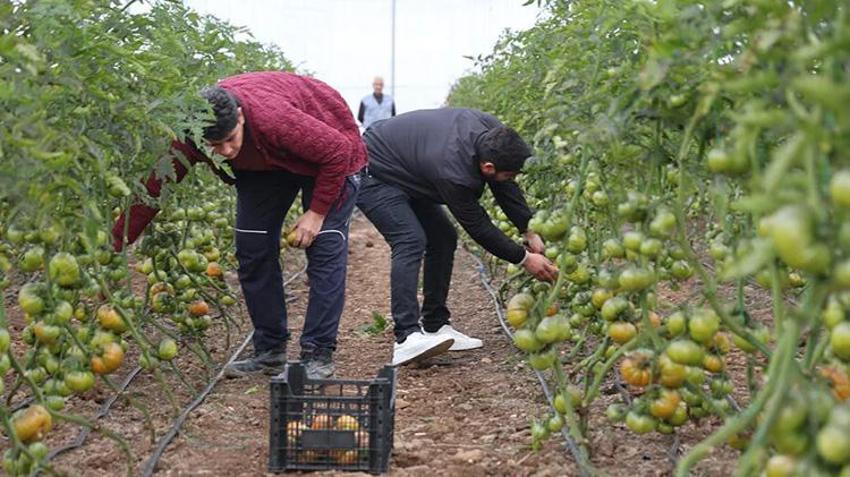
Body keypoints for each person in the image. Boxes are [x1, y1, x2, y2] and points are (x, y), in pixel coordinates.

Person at [113, 71, 367, 379]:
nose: (226, 152)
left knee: (324, 246)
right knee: (252, 246)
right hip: (266, 164)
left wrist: (316, 213)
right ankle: (270, 351)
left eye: (230, 139)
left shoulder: (275, 120)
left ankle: (318, 354)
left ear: (240, 116)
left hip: (329, 152)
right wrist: (115, 242)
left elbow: (336, 150)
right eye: (214, 146)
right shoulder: (192, 132)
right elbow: (157, 185)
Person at [355, 108, 558, 367]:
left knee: (443, 238)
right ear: (487, 167)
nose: (512, 178)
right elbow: (478, 226)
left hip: (408, 169)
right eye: (510, 173)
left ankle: (435, 326)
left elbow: (505, 185)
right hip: (372, 172)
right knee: (410, 239)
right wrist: (524, 258)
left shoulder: (493, 132)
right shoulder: (453, 172)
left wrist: (528, 229)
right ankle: (406, 338)